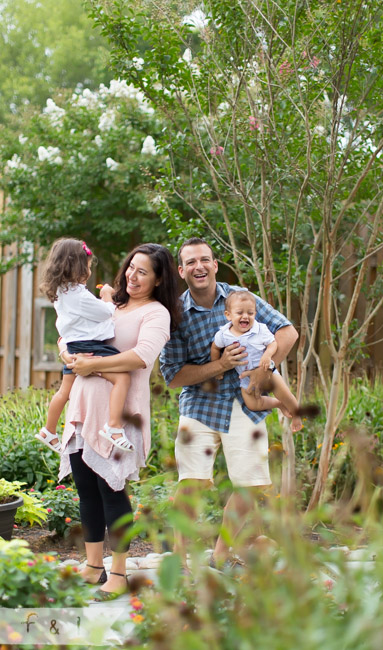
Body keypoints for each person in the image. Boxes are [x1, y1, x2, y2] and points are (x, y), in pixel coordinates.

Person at [159, 237, 299, 567]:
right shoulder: (175, 313)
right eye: (191, 262)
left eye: (204, 259)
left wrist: (263, 370)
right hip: (200, 402)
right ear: (181, 271)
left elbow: (287, 332)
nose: (199, 266)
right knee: (192, 482)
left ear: (215, 264)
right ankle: (179, 560)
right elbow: (174, 376)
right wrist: (220, 365)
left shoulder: (240, 299)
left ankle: (219, 557)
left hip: (245, 401)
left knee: (251, 485)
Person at [58, 243, 181, 599]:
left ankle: (119, 572)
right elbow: (68, 332)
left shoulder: (156, 314)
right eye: (131, 267)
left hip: (119, 414)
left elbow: (141, 357)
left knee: (111, 491)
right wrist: (68, 353)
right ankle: (93, 565)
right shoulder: (111, 305)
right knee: (85, 489)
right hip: (83, 409)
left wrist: (92, 364)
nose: (133, 275)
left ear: (159, 280)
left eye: (143, 272)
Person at [36, 238, 133, 454]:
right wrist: (107, 296)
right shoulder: (78, 296)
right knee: (123, 377)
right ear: (78, 267)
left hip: (73, 346)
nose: (89, 271)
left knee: (64, 391)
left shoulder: (61, 292)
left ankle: (48, 430)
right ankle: (114, 427)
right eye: (88, 266)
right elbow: (106, 312)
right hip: (91, 347)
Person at [210, 290, 302, 430]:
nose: (245, 316)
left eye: (250, 313)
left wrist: (267, 355)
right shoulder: (224, 334)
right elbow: (215, 348)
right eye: (240, 313)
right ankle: (278, 404)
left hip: (266, 370)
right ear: (228, 315)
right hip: (245, 377)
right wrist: (217, 367)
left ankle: (296, 415)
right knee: (253, 404)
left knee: (285, 394)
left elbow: (273, 343)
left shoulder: (259, 329)